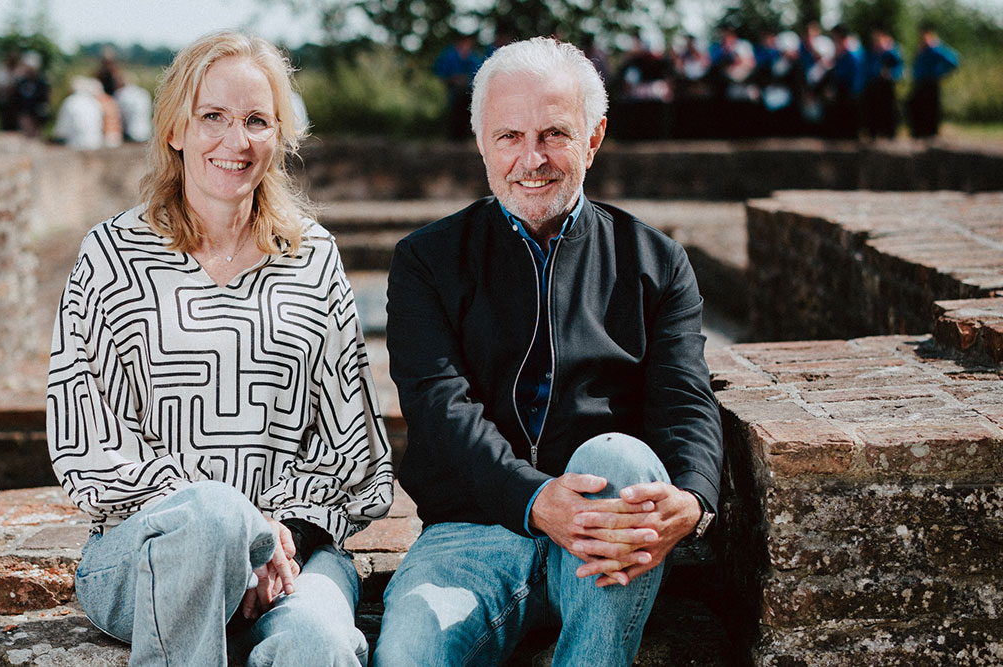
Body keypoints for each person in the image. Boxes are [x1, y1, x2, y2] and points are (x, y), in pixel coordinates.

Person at [46, 31, 393, 667]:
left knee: (315, 642)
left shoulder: (313, 259)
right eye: (214, 117)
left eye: (257, 121)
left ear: (279, 136)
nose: (236, 142)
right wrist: (238, 535)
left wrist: (275, 540)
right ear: (176, 128)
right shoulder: (110, 258)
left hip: (297, 556)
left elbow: (356, 450)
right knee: (209, 518)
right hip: (146, 556)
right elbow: (87, 447)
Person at [376, 37, 722, 666]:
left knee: (618, 455)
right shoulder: (426, 260)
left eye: (554, 134)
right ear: (481, 140)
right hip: (469, 534)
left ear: (593, 138)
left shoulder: (656, 263)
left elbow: (685, 398)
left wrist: (695, 498)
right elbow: (438, 405)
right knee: (405, 652)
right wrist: (535, 500)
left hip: (599, 535)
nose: (531, 160)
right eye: (509, 136)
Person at [907, 23, 959, 139]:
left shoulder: (935, 48)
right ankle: (919, 133)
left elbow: (953, 60)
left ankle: (931, 134)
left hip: (930, 83)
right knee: (916, 107)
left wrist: (940, 73)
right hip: (920, 83)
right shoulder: (922, 49)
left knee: (930, 109)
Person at [861, 28, 903, 139]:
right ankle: (873, 133)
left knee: (888, 110)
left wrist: (891, 74)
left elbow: (899, 68)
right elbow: (866, 69)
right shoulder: (871, 53)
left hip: (886, 85)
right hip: (873, 85)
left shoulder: (891, 52)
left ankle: (889, 134)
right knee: (873, 110)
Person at [52, 77, 105, 150]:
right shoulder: (94, 102)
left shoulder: (70, 102)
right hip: (96, 142)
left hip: (76, 143)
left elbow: (62, 129)